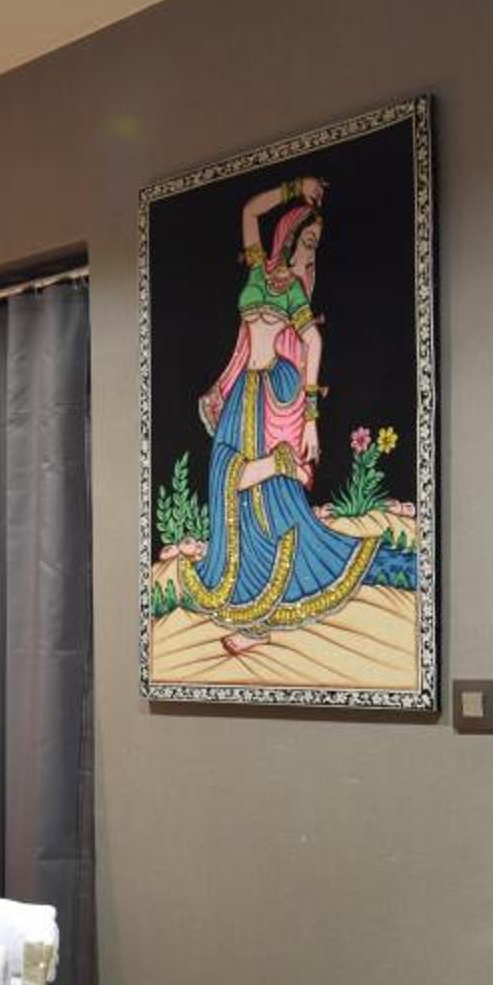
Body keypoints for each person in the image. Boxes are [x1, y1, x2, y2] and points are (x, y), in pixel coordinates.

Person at [183, 176, 413, 648]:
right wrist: (296, 188)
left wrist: (309, 419)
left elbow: (313, 341)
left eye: (316, 245)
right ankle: (251, 607)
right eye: (307, 240)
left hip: (274, 391)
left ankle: (260, 619)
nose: (310, 253)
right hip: (244, 391)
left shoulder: (294, 296)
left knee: (265, 500)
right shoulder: (257, 272)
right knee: (227, 482)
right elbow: (250, 211)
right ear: (288, 236)